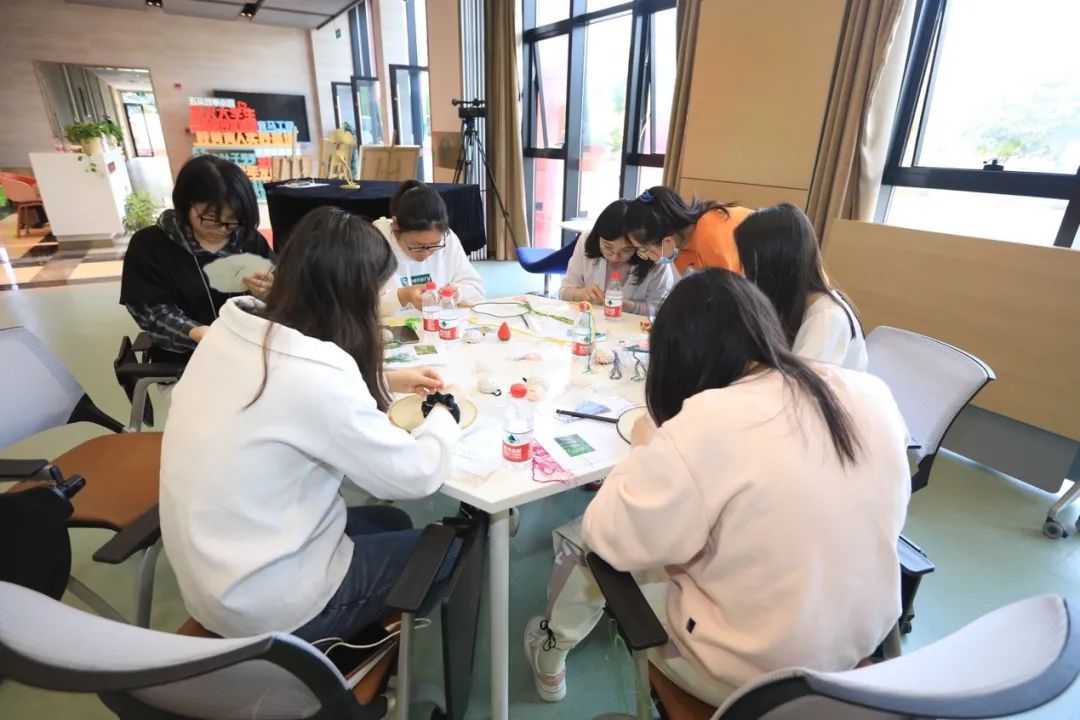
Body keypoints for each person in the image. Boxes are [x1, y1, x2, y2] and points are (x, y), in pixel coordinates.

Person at [525, 269, 910, 707]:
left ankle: (550, 648)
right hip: (857, 657)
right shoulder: (871, 391)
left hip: (748, 681)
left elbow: (606, 534)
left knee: (580, 540)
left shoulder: (708, 420)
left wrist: (646, 444)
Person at [159, 206, 462, 641]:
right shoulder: (316, 375)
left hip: (214, 574)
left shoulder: (231, 331)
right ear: (354, 298)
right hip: (270, 604)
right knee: (454, 547)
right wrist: (445, 414)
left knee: (391, 523)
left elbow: (293, 395)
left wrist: (386, 379)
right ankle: (349, 652)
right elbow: (414, 475)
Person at [120, 154, 274, 364]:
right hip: (184, 361)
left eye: (233, 220)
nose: (223, 229)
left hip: (249, 352)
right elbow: (152, 314)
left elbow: (281, 297)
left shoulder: (248, 240)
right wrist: (196, 332)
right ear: (185, 204)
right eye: (211, 220)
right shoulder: (150, 245)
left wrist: (269, 294)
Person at [735, 203, 867, 370]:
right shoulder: (800, 305)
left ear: (772, 268)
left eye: (747, 265)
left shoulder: (826, 320)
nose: (743, 274)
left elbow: (796, 383)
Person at [375, 179, 484, 314]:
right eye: (417, 246)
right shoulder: (375, 242)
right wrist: (402, 297)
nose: (425, 254)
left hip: (439, 323)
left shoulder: (447, 239)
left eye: (434, 246)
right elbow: (359, 304)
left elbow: (476, 289)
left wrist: (459, 293)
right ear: (395, 225)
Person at [559, 199, 674, 317]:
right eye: (607, 247)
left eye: (626, 250)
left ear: (638, 245)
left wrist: (627, 306)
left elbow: (661, 311)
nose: (614, 257)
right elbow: (563, 292)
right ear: (598, 236)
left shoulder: (655, 257)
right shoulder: (586, 240)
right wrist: (579, 294)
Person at [624, 186, 752, 276]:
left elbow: (730, 296)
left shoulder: (711, 241)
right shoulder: (680, 248)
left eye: (644, 250)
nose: (648, 257)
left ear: (667, 241)